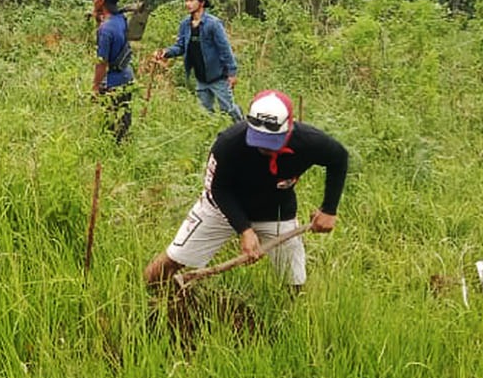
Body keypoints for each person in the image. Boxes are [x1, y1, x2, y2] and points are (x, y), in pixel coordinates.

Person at [143, 90, 347, 291]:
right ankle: (146, 294)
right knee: (173, 260)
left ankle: (288, 310)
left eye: (272, 141)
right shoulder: (229, 143)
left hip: (276, 211)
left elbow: (339, 158)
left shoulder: (309, 141)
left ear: (288, 129)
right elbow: (219, 189)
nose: (265, 148)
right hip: (221, 209)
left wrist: (329, 209)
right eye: (259, 140)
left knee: (293, 279)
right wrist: (245, 230)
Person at [151, 0, 242, 121]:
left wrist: (232, 73)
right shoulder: (185, 24)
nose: (187, 4)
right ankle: (212, 134)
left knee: (228, 109)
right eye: (186, 0)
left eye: (191, 0)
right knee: (205, 114)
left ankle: (243, 127)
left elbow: (225, 49)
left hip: (218, 77)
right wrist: (166, 52)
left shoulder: (213, 24)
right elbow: (180, 47)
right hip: (201, 78)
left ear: (202, 2)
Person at [91, 0, 134, 142]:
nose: (93, 0)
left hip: (113, 82)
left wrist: (96, 86)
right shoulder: (121, 19)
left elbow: (101, 62)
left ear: (101, 1)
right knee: (124, 122)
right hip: (127, 76)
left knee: (110, 127)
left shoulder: (106, 30)